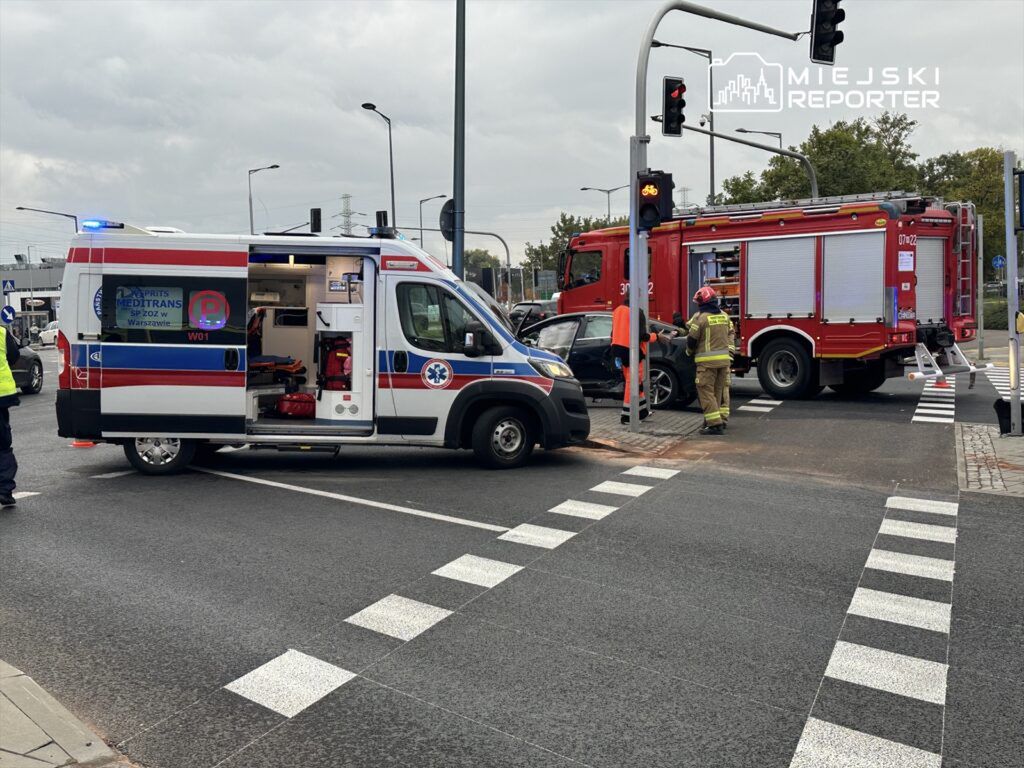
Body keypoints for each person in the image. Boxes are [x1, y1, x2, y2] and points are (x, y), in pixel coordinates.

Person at [612, 294, 669, 425]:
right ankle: (627, 416)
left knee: (634, 382)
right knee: (632, 382)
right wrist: (657, 336)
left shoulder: (617, 310)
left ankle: (642, 411)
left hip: (617, 349)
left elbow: (613, 332)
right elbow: (643, 336)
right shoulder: (637, 312)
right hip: (632, 350)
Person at [686, 286, 731, 435]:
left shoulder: (701, 318)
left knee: (705, 392)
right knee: (717, 393)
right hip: (724, 362)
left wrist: (688, 352)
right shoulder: (724, 316)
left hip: (706, 363)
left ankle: (714, 425)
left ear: (703, 302)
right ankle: (714, 421)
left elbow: (692, 340)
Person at [0, 322, 21, 507]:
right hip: (1, 395)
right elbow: (14, 356)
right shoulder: (1, 332)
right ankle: (5, 490)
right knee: (2, 444)